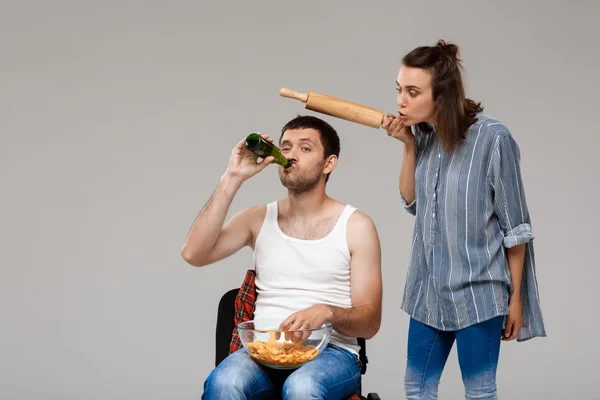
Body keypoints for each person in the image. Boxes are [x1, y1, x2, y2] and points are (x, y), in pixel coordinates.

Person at [381, 40, 546, 400]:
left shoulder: (493, 139)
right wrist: (408, 146)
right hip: (427, 291)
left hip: (479, 294)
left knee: (480, 392)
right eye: (399, 90)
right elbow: (412, 202)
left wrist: (515, 299)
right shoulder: (421, 135)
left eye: (412, 92)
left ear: (441, 94)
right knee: (416, 389)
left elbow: (515, 228)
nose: (400, 101)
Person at [181, 115, 383, 399]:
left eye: (305, 148)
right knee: (224, 383)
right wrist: (233, 176)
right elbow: (194, 254)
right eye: (286, 148)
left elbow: (370, 323)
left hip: (333, 352)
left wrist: (328, 311)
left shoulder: (356, 226)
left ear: (329, 163)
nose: (291, 155)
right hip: (265, 349)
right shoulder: (257, 218)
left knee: (303, 388)